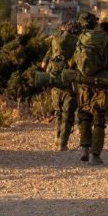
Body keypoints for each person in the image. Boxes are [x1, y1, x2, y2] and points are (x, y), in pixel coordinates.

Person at [73, 12, 108, 165]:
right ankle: (95, 155)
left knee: (85, 115)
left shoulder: (84, 39)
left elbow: (74, 62)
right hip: (102, 84)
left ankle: (84, 148)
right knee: (99, 120)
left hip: (85, 84)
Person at [42, 20, 81, 151]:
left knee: (58, 112)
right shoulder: (77, 42)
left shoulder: (55, 41)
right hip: (70, 84)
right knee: (68, 114)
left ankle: (57, 138)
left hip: (55, 82)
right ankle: (62, 144)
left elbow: (43, 64)